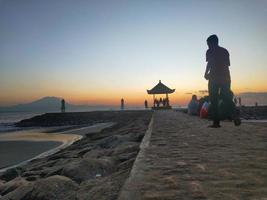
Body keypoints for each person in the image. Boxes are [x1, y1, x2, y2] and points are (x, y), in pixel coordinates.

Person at [204, 34, 234, 128]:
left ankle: (216, 122)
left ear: (213, 43)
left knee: (214, 99)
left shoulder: (209, 51)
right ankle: (233, 114)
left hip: (214, 78)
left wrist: (206, 73)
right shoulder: (225, 51)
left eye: (208, 44)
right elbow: (227, 65)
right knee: (226, 97)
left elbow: (210, 63)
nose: (208, 46)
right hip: (225, 77)